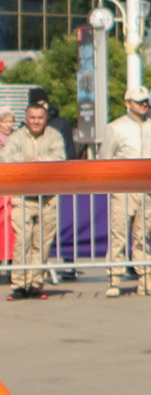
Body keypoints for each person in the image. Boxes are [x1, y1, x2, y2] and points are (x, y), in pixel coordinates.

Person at [103, 89, 151, 296]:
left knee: (143, 237)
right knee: (119, 235)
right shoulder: (115, 128)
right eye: (139, 101)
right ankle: (114, 279)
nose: (143, 105)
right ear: (127, 103)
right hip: (123, 188)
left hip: (146, 190)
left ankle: (146, 279)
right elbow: (105, 158)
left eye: (146, 101)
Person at [2, 99, 66, 298]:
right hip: (23, 198)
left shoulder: (55, 136)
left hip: (48, 199)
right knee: (23, 241)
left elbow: (60, 159)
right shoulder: (16, 138)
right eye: (32, 118)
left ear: (46, 119)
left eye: (40, 118)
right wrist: (24, 161)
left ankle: (36, 284)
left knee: (42, 243)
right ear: (26, 119)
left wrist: (39, 162)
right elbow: (5, 158)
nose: (36, 121)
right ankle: (20, 284)